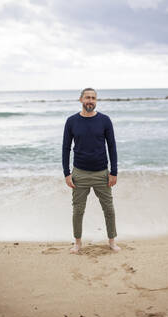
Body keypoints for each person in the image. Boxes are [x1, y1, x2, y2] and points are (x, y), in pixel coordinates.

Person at [62, 87, 120, 253]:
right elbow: (66, 148)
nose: (90, 101)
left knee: (109, 209)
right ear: (81, 100)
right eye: (87, 97)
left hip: (102, 172)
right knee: (78, 210)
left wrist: (113, 172)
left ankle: (112, 241)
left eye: (93, 98)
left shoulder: (105, 120)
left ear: (96, 101)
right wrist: (67, 173)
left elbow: (112, 147)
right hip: (79, 173)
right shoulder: (71, 121)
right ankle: (78, 243)